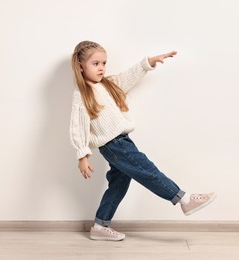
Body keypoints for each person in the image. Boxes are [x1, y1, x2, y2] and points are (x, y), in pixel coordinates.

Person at [69, 40, 216, 241]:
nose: (101, 68)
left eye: (104, 63)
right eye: (95, 64)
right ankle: (184, 199)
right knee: (147, 170)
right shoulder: (82, 94)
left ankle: (100, 225)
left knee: (119, 184)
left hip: (122, 142)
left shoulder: (107, 85)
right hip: (114, 145)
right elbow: (78, 126)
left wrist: (147, 63)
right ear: (80, 66)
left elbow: (127, 78)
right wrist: (82, 154)